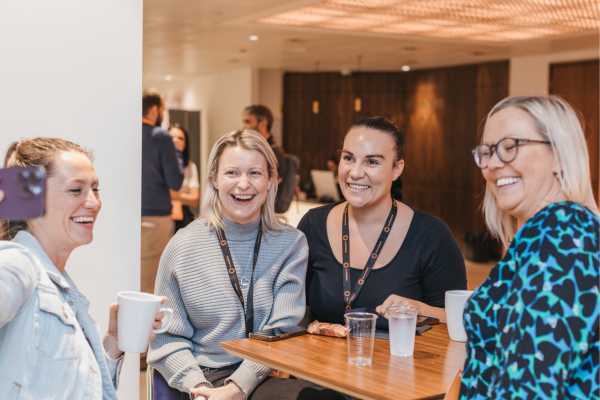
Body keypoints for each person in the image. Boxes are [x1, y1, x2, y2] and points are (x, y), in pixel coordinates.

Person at [148, 129, 345, 400]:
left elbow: (283, 328)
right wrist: (200, 389)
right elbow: (167, 339)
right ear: (215, 179)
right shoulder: (183, 246)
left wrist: (237, 388)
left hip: (265, 373)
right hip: (202, 377)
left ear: (270, 180)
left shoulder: (291, 244)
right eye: (232, 173)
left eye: (254, 173)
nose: (243, 184)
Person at [0, 138, 165, 399]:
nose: (93, 203)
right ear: (29, 198)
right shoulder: (17, 265)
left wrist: (113, 343)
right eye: (76, 190)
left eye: (95, 189)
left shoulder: (64, 291)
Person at [460, 95, 599, 399]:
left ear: (560, 155)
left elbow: (531, 386)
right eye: (487, 151)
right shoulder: (543, 233)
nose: (493, 164)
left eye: (510, 147)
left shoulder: (565, 232)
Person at [298, 116, 467, 326]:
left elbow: (462, 319)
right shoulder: (313, 225)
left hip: (400, 358)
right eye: (349, 158)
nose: (356, 173)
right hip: (319, 358)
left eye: (372, 162)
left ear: (397, 169)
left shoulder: (431, 234)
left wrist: (420, 309)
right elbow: (295, 312)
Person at [142, 88, 184, 294]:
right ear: (154, 109)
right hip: (155, 216)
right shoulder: (160, 137)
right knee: (150, 284)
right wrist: (176, 151)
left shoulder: (126, 132)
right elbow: (175, 181)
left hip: (127, 215)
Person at [242, 105, 289, 212]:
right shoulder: (255, 149)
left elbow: (272, 186)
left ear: (263, 124)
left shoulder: (275, 152)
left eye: (247, 122)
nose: (243, 126)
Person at [169, 123, 200, 232]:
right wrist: (182, 196)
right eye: (171, 137)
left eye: (180, 138)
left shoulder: (190, 166)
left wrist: (174, 195)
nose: (175, 140)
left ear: (185, 144)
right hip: (162, 212)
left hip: (181, 213)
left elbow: (195, 199)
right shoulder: (157, 164)